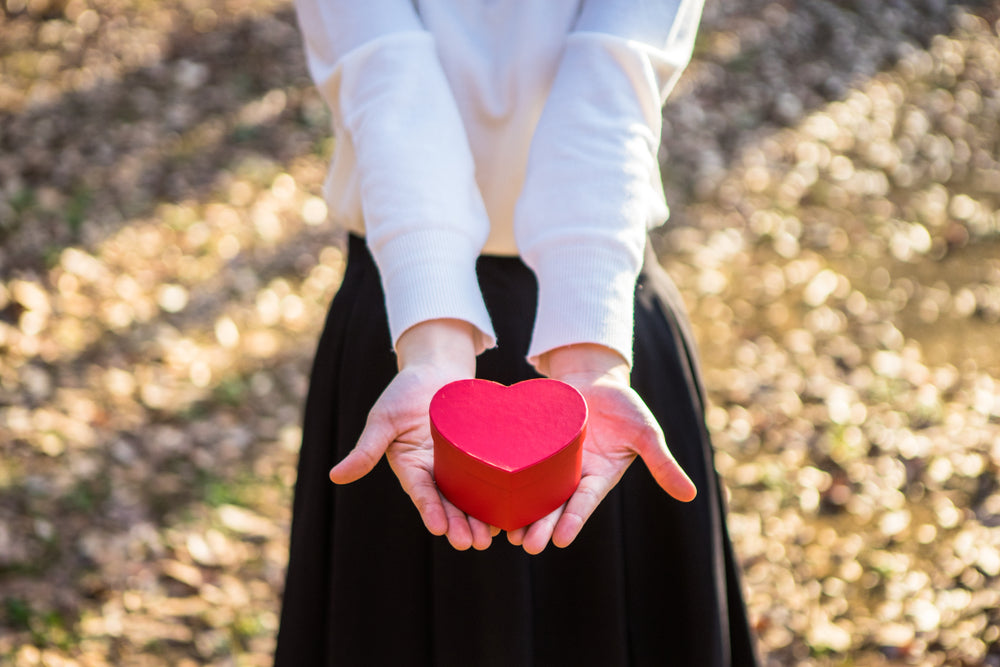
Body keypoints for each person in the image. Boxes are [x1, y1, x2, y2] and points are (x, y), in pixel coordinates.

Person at [275, 1, 760, 665]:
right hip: (406, 315)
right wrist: (432, 334)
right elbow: (384, 71)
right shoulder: (419, 342)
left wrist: (590, 351)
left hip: (597, 311)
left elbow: (612, 78)